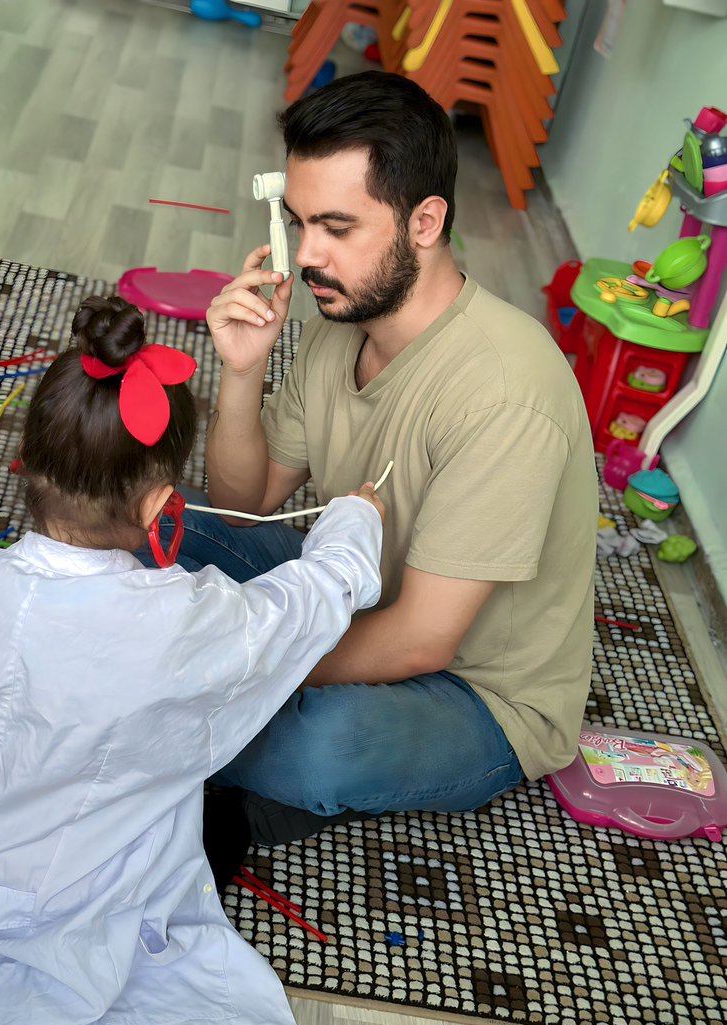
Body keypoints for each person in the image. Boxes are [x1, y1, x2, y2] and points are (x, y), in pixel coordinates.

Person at [0, 295, 385, 1025]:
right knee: (226, 800)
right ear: (164, 509)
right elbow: (313, 602)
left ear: (30, 467)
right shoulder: (186, 619)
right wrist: (355, 520)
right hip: (80, 899)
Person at [167, 70, 598, 846]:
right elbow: (246, 503)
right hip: (351, 593)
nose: (307, 256)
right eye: (300, 224)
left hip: (475, 687)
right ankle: (194, 736)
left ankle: (194, 742)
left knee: (320, 747)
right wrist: (241, 370)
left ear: (425, 221)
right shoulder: (344, 321)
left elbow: (421, 638)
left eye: (336, 227)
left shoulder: (505, 394)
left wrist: (241, 659)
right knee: (154, 519)